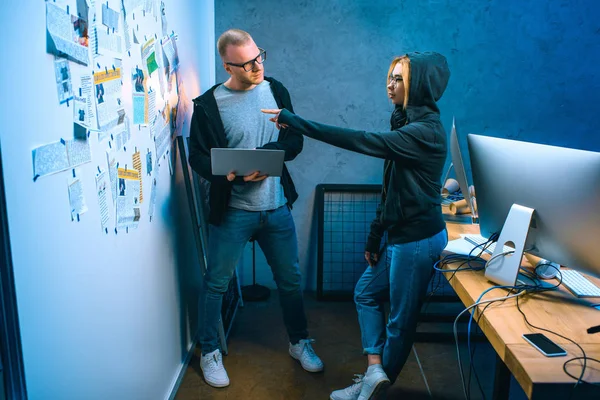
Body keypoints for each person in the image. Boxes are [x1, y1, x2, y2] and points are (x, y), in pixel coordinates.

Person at [262, 51, 450, 400]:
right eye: (390, 77)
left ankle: (373, 389)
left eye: (400, 79)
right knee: (365, 293)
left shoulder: (426, 132)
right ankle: (374, 372)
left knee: (399, 324)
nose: (390, 85)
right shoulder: (404, 121)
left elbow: (361, 140)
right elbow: (391, 186)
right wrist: (376, 234)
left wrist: (296, 121)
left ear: (418, 86)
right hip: (397, 236)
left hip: (417, 240)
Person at [188, 29, 324, 389]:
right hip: (233, 210)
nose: (257, 66)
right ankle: (210, 352)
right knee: (216, 282)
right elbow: (197, 156)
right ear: (227, 65)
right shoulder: (207, 105)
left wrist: (269, 157)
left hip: (276, 207)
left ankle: (299, 342)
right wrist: (226, 173)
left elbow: (294, 139)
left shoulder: (275, 89)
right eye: (247, 63)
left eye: (259, 57)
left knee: (290, 281)